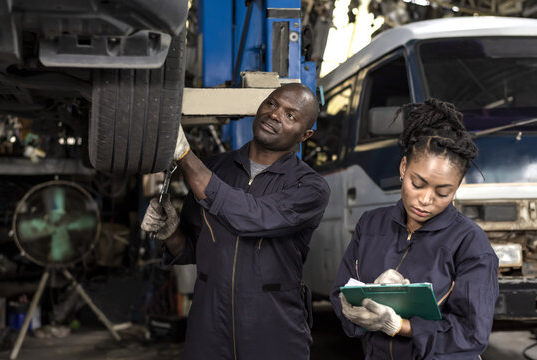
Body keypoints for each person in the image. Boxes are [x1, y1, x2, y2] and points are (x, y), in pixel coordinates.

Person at [141, 83, 330, 360]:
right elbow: (193, 248)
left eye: (291, 115)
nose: (275, 115)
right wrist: (171, 232)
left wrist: (185, 157)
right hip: (208, 324)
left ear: (305, 134)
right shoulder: (214, 169)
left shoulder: (310, 187)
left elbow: (253, 217)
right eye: (272, 104)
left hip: (273, 327)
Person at [330, 98, 499, 359]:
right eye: (417, 184)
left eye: (443, 193)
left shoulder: (469, 242)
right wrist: (358, 310)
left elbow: (471, 335)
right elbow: (341, 292)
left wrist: (398, 325)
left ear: (457, 187)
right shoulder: (371, 224)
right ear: (403, 167)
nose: (426, 199)